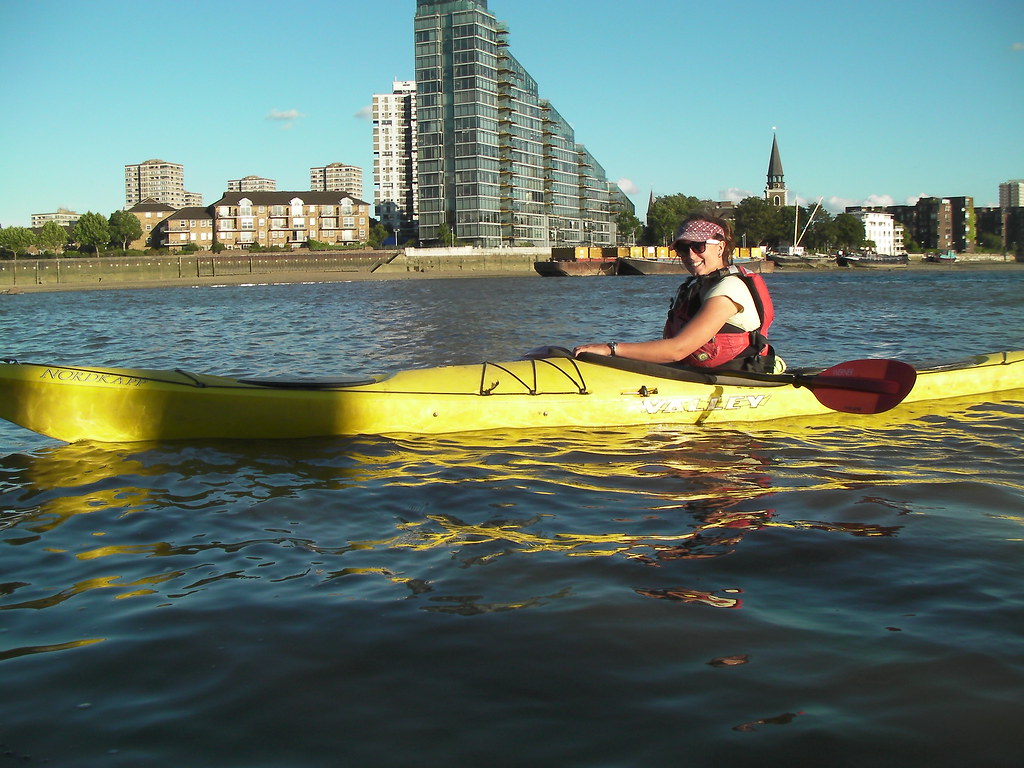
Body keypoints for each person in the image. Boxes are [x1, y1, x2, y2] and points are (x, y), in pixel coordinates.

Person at [572, 212, 783, 373]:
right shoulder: (695, 286)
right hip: (697, 374)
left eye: (698, 246)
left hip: (737, 379)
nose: (690, 255)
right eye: (683, 248)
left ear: (720, 247)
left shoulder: (729, 290)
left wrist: (610, 349)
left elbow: (677, 350)